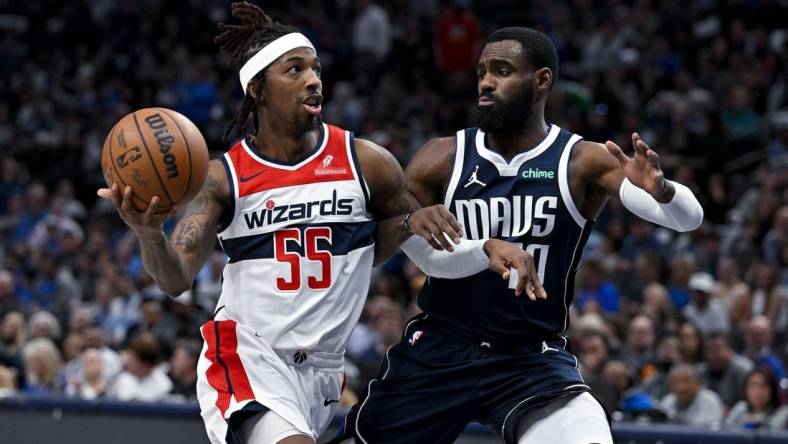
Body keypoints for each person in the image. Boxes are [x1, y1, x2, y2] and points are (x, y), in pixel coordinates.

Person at [98, 3, 533, 443]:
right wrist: (149, 233)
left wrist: (483, 248)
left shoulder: (366, 161)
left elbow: (423, 248)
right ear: (258, 90)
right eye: (294, 70)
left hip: (323, 376)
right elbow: (175, 278)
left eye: (316, 69)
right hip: (246, 357)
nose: (313, 80)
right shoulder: (224, 178)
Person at [336, 27, 703, 444]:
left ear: (542, 80)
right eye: (481, 73)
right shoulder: (442, 157)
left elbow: (685, 220)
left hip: (528, 358)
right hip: (441, 350)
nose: (486, 82)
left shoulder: (583, 159)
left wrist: (662, 190)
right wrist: (476, 247)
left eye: (502, 71)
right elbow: (408, 251)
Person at [659, 364, 724, 426]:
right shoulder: (668, 400)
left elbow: (708, 432)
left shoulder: (710, 400)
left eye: (686, 381)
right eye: (676, 382)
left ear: (698, 383)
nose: (681, 387)